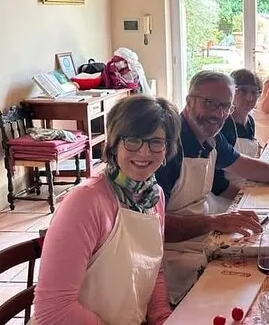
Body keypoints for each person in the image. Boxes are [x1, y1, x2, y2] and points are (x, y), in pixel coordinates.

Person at [156, 70, 269, 304]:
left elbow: (243, 164)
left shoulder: (210, 137)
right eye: (210, 103)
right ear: (189, 101)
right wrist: (214, 221)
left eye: (225, 106)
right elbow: (156, 227)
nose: (218, 113)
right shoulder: (168, 147)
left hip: (202, 236)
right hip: (174, 257)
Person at [34, 95, 181, 324]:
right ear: (114, 145)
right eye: (133, 140)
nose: (144, 152)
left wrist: (163, 317)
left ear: (167, 149)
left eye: (156, 142)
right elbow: (53, 311)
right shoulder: (86, 202)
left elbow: (154, 273)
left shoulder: (154, 197)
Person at [220, 68, 263, 158]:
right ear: (231, 92)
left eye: (254, 92)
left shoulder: (250, 121)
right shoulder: (224, 124)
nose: (249, 98)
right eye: (243, 91)